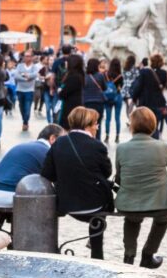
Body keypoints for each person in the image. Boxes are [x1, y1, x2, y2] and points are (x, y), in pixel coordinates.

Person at [115, 108, 167, 268]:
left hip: (129, 204)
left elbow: (119, 177)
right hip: (159, 204)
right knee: (163, 220)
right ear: (153, 125)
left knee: (132, 220)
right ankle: (148, 255)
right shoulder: (162, 147)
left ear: (132, 125)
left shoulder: (122, 148)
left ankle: (129, 256)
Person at [41, 106, 113, 260]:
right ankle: (96, 252)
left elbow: (47, 173)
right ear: (87, 125)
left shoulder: (58, 144)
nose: (97, 127)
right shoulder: (97, 146)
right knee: (102, 202)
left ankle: (52, 251)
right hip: (94, 206)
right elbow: (107, 172)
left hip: (66, 204)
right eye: (95, 124)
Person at [0, 123, 65, 208]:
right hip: (9, 194)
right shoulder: (48, 152)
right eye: (63, 141)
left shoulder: (22, 146)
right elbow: (59, 182)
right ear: (53, 138)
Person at [130, 54, 167, 139]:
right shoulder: (164, 73)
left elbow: (138, 87)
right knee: (155, 125)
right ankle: (155, 142)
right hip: (158, 103)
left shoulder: (144, 72)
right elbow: (164, 86)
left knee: (144, 125)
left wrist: (134, 98)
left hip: (146, 102)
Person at [57, 55, 85, 130]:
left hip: (70, 107)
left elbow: (64, 93)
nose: (66, 63)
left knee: (67, 129)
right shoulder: (79, 75)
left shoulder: (74, 77)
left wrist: (60, 91)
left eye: (67, 61)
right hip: (73, 106)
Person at [82, 58, 106, 139]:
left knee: (86, 123)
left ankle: (87, 139)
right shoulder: (100, 76)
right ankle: (97, 140)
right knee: (97, 123)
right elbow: (104, 88)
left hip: (87, 103)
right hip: (98, 103)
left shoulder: (84, 76)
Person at [14, 50, 38, 131]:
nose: (26, 58)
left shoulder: (34, 67)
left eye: (28, 56)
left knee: (27, 108)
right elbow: (16, 76)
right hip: (20, 89)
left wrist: (24, 75)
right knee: (21, 107)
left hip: (29, 90)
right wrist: (26, 78)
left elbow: (34, 75)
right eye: (25, 56)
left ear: (31, 57)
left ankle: (25, 122)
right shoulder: (20, 66)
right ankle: (24, 120)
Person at [104, 58, 124, 143]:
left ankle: (107, 136)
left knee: (108, 118)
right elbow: (121, 87)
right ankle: (117, 136)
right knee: (117, 118)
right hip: (117, 97)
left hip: (108, 97)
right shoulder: (120, 76)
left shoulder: (106, 75)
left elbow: (104, 86)